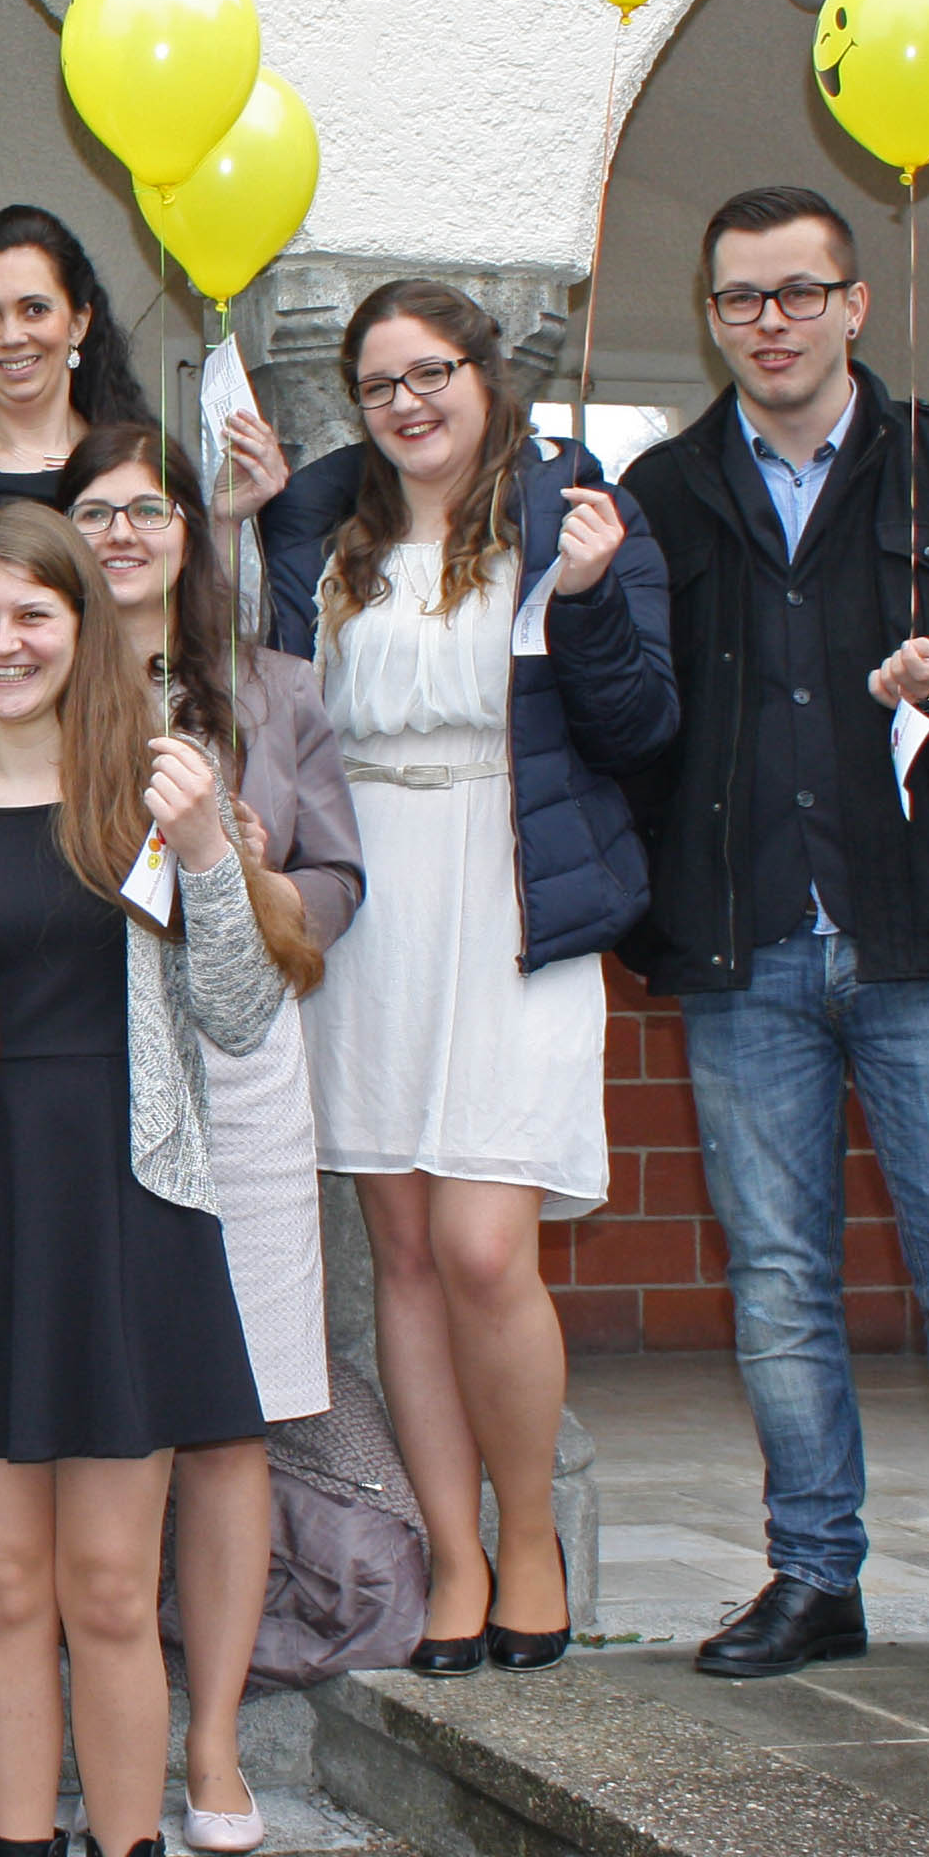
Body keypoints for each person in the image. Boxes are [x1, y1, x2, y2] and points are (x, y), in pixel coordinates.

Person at [617, 187, 929, 1710]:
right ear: (709, 317)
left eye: (792, 291)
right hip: (742, 945)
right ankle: (812, 1576)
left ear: (851, 305)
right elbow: (629, 706)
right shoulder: (663, 486)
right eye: (736, 298)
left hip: (924, 940)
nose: (766, 320)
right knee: (774, 1280)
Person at [0, 502, 283, 1857]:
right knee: (0, 1589)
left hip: (127, 1204)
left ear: (84, 624)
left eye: (30, 617)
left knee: (113, 1589)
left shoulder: (151, 787)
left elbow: (238, 1015)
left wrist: (208, 856)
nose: (2, 643)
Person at [255, 279, 677, 1680]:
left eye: (428, 372)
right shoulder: (326, 531)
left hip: (513, 900)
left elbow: (638, 723)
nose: (406, 403)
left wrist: (596, 594)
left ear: (482, 375)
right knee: (407, 1257)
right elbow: (269, 699)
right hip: (369, 910)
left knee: (488, 1245)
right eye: (377, 384)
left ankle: (531, 1540)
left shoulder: (569, 519)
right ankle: (450, 1556)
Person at [60, 422, 360, 1855]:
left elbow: (341, 885)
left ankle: (214, 1732)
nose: (121, 533)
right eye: (94, 511)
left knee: (229, 1417)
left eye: (147, 509)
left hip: (237, 1068)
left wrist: (244, 862)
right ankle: (92, 1702)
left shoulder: (276, 688)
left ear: (189, 528)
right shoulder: (28, 680)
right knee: (103, 1411)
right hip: (85, 1074)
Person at [0, 204, 157, 529]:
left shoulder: (141, 467)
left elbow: (188, 578)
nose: (11, 336)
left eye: (35, 309)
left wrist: (224, 520)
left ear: (78, 323)